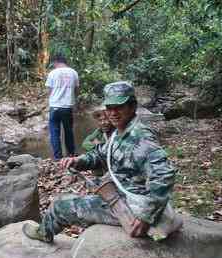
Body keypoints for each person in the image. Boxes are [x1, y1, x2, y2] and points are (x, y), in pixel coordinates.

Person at [23, 81, 176, 243]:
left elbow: (164, 174)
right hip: (119, 197)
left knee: (59, 207)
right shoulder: (121, 131)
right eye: (109, 107)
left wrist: (146, 217)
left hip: (131, 207)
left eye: (119, 107)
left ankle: (44, 233)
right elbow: (102, 153)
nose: (113, 113)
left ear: (132, 107)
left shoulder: (141, 137)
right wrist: (78, 161)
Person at [46, 54, 79, 160]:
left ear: (56, 62)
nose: (53, 66)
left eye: (54, 64)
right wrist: (74, 103)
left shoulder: (52, 73)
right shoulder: (73, 73)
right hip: (67, 107)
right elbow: (76, 90)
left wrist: (51, 101)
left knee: (54, 132)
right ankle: (71, 154)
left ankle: (58, 158)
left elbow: (49, 91)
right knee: (68, 131)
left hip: (55, 106)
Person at [81, 105, 115, 177]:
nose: (103, 123)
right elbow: (85, 143)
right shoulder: (99, 131)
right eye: (100, 120)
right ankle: (99, 175)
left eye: (106, 119)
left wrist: (102, 146)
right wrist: (98, 146)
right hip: (104, 162)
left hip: (114, 164)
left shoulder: (116, 131)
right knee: (93, 154)